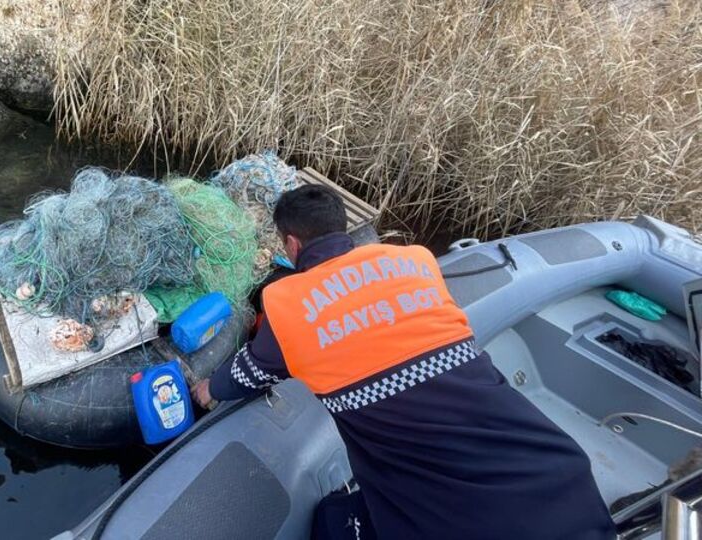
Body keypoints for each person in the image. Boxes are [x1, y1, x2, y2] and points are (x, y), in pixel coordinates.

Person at [191, 185, 615, 539]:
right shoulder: (414, 261)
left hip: (458, 514)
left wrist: (208, 390)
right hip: (554, 473)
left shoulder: (289, 303)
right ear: (345, 229)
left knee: (329, 523)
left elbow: (252, 372)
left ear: (292, 245)